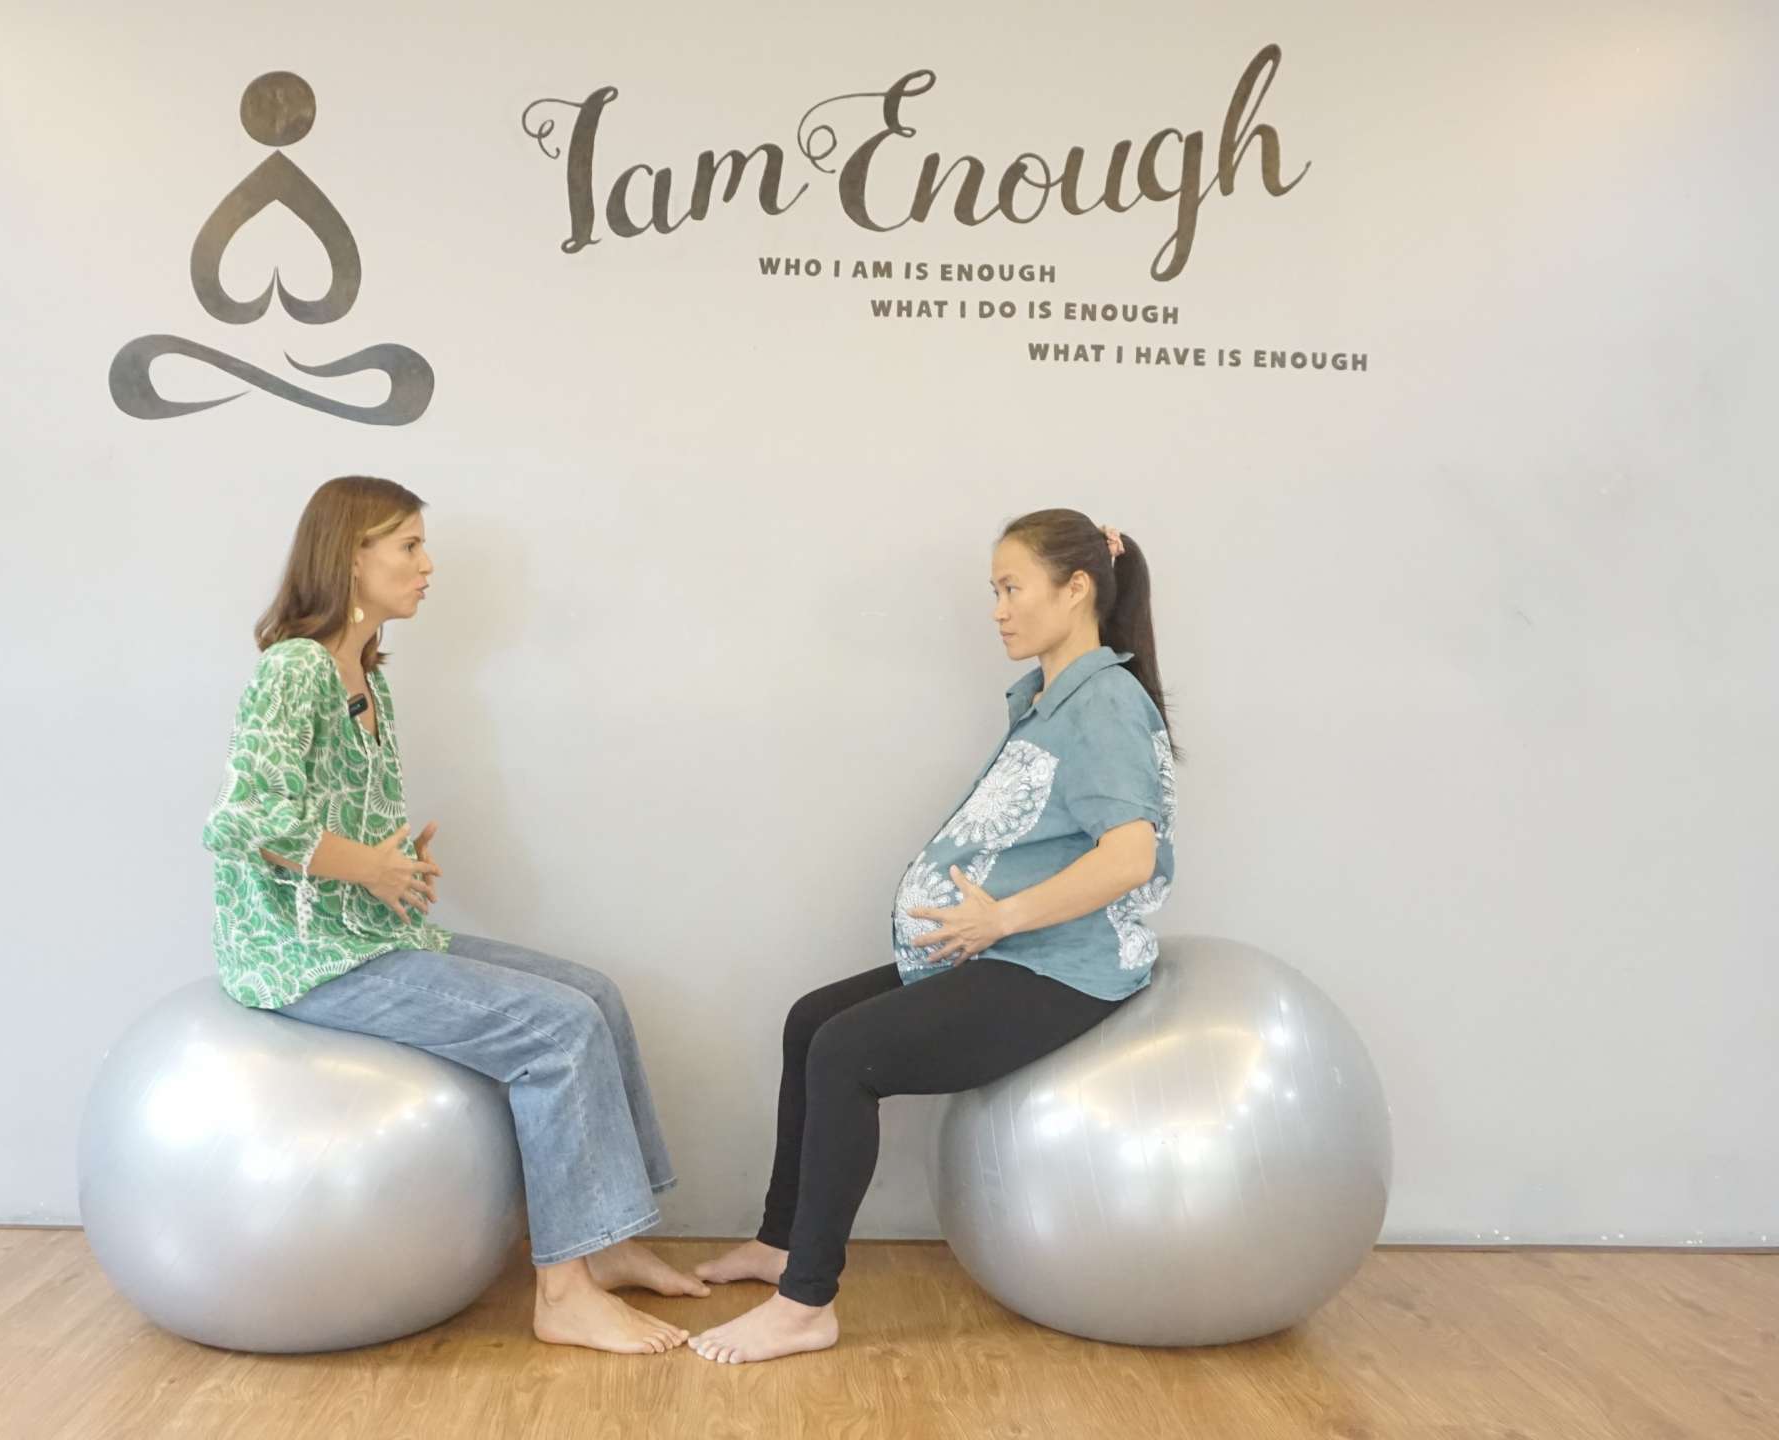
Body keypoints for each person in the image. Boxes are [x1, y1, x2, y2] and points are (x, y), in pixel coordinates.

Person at [201, 475, 704, 1356]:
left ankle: (610, 1243)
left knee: (595, 994)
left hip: (365, 931)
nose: (428, 566)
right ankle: (563, 1296)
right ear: (350, 558)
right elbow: (244, 822)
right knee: (557, 1031)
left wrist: (391, 872)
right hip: (302, 955)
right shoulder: (295, 669)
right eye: (409, 546)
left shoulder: (369, 677)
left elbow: (339, 828)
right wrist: (369, 866)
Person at [689, 508, 1180, 1364]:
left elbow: (1130, 856)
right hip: (1010, 953)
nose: (997, 609)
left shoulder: (1103, 702)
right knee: (812, 1020)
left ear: (1076, 589)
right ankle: (781, 1243)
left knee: (847, 1053)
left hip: (1063, 968)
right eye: (994, 590)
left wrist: (1002, 917)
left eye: (1012, 588)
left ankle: (806, 1305)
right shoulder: (1047, 700)